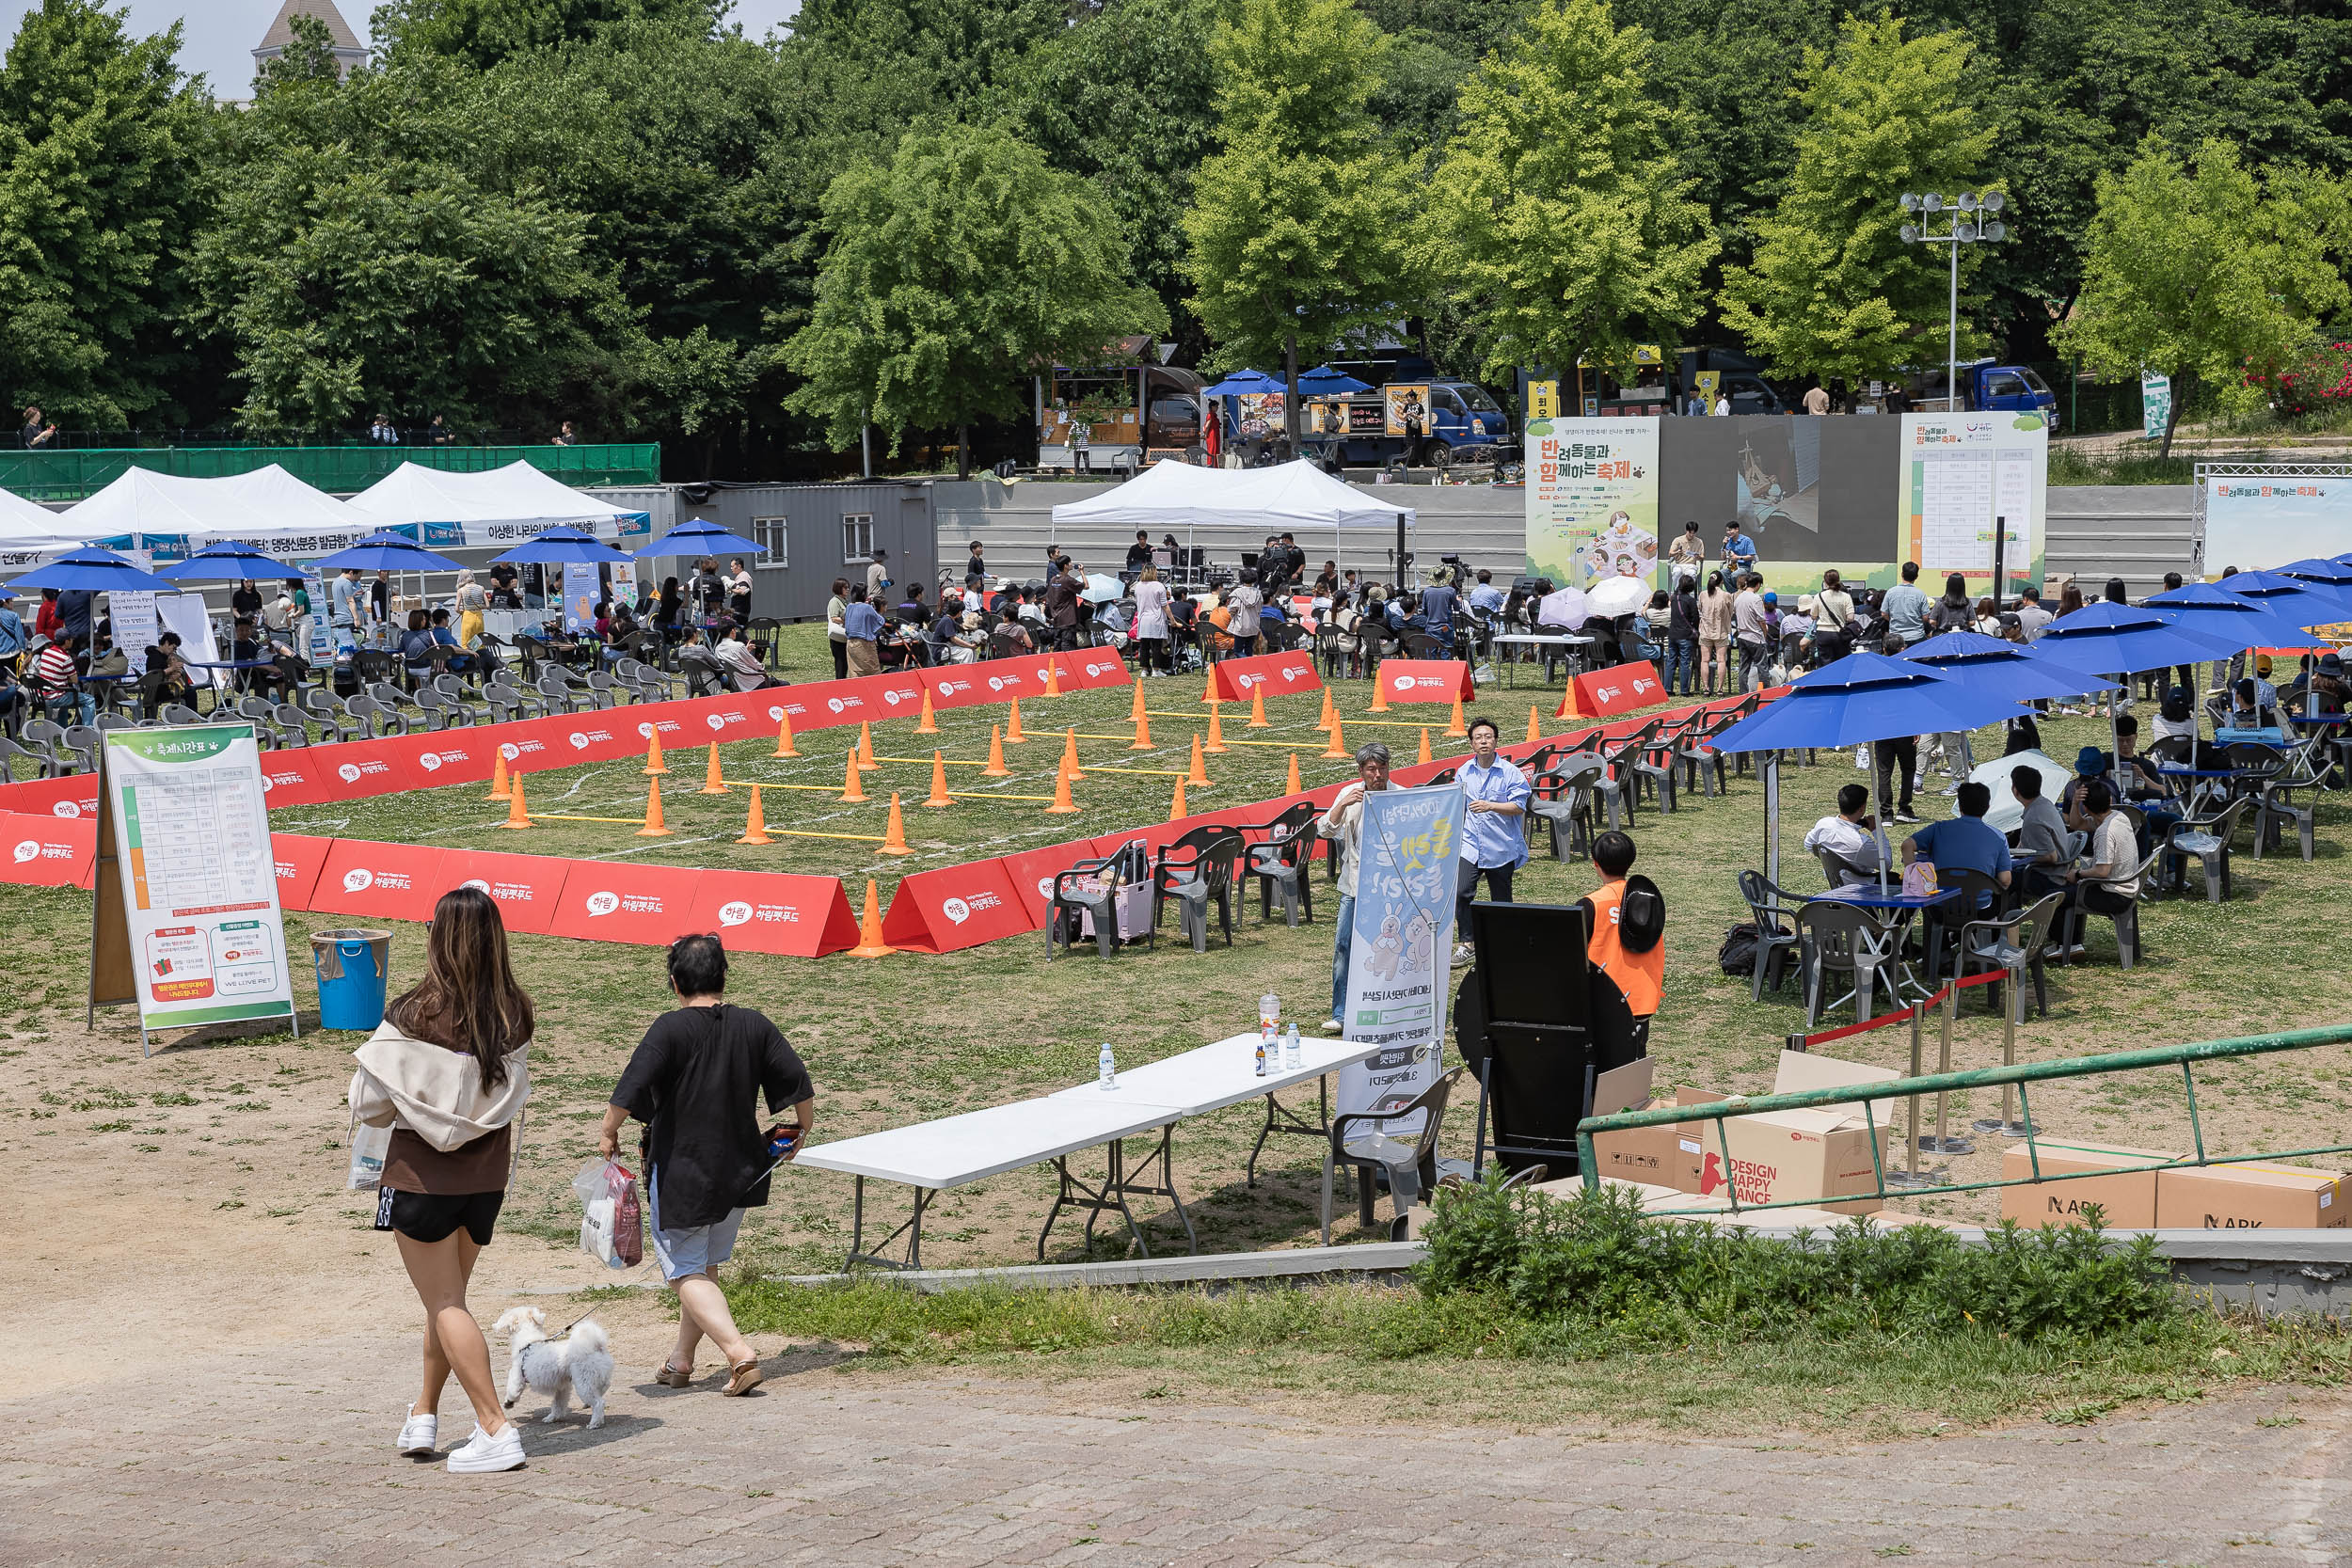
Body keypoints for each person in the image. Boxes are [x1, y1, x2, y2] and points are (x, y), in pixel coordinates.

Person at [346, 886, 534, 1474]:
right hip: (486, 1177)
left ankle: (495, 1428)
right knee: (445, 1301)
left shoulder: (411, 1012)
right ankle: (423, 1413)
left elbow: (370, 1102)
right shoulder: (515, 1010)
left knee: (446, 1302)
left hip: (421, 1178)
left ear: (438, 937)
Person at [598, 934, 813, 1399]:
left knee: (684, 1272)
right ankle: (681, 1361)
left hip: (683, 1173)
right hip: (740, 1170)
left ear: (675, 982)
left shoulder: (669, 1030)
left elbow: (630, 1086)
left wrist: (608, 1131)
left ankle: (740, 1354)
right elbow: (797, 1081)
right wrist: (800, 1129)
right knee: (703, 1266)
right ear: (724, 976)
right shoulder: (754, 1025)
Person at [1315, 742, 1391, 1032]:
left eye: (1382, 767)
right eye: (1372, 769)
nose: (1378, 774)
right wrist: (1343, 805)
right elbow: (1324, 830)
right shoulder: (1349, 795)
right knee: (1344, 948)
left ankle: (1385, 1008)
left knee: (1387, 952)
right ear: (1361, 771)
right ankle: (1341, 1013)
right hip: (1354, 886)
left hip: (1389, 890)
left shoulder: (1400, 796)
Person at [1576, 831, 1663, 1051]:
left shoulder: (1590, 905)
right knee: (1632, 1069)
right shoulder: (1647, 900)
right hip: (1640, 1003)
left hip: (1603, 1003)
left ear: (1596, 864)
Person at [1452, 717, 1530, 965]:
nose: (1483, 741)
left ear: (1496, 741)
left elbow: (1519, 806)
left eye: (1488, 737)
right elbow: (1456, 805)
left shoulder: (1510, 773)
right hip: (1471, 845)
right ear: (1471, 743)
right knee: (1462, 892)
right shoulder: (1463, 772)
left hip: (1500, 846)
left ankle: (1503, 944)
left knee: (1501, 899)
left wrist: (1490, 806)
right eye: (1478, 738)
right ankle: (1467, 943)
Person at [2059, 779, 2139, 957]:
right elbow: (2076, 825)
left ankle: (2066, 945)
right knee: (2072, 890)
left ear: (2086, 809)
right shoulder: (2118, 817)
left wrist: (2078, 873)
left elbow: (2102, 871)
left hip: (2114, 895)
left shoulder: (2104, 832)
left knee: (2059, 895)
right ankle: (2073, 943)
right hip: (2127, 888)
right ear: (2110, 801)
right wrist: (2074, 803)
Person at [1804, 783, 1892, 884]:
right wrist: (1878, 832)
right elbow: (1886, 865)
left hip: (1837, 882)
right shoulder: (1861, 843)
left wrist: (1829, 858)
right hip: (1862, 887)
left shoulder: (1823, 823)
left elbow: (1809, 844)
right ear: (1862, 808)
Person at [2012, 765, 2071, 897]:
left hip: (2048, 877)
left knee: (2001, 877)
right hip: (2059, 870)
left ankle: (2004, 913)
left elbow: (2050, 857)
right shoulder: (2045, 803)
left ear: (2015, 791)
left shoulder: (2034, 819)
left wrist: (2021, 861)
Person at [1697, 570, 1734, 695]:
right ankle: (1719, 689)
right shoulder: (1726, 595)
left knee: (1704, 660)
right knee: (1721, 660)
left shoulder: (1703, 594)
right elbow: (1731, 611)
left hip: (1705, 631)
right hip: (1721, 631)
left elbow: (1700, 609)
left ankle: (1706, 688)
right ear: (1722, 581)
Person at [1731, 572, 1768, 692]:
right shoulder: (1756, 598)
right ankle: (1766, 692)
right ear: (1757, 584)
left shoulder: (1738, 597)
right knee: (1762, 667)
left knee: (1744, 667)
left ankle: (1743, 693)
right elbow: (1761, 620)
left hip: (1742, 636)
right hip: (1756, 637)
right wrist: (1765, 634)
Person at [1131, 564, 1170, 675]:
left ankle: (1144, 669)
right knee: (1156, 645)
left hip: (1143, 618)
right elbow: (1164, 605)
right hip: (1156, 618)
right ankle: (1156, 670)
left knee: (1144, 645)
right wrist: (1172, 619)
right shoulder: (1159, 586)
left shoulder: (1138, 586)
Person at [714, 620, 772, 691]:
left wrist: (745, 651)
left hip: (736, 683)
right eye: (735, 630)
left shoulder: (718, 649)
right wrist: (763, 668)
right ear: (732, 631)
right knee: (784, 684)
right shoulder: (738, 646)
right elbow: (754, 664)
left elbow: (733, 660)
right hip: (754, 683)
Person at [1666, 573, 1700, 695]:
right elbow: (1695, 618)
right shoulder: (1690, 600)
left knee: (1671, 661)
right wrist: (1695, 630)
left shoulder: (1674, 598)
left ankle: (1668, 688)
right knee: (1685, 662)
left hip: (1673, 634)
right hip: (1685, 635)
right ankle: (1684, 690)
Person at [1883, 561, 1930, 646]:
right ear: (1916, 577)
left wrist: (1894, 620)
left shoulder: (1891, 592)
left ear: (1902, 574)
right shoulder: (1920, 593)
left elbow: (1884, 613)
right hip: (1917, 637)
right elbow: (1926, 617)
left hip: (1896, 637)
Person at [1813, 568, 1855, 663]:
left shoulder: (1818, 596)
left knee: (1825, 664)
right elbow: (1850, 618)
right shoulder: (1846, 596)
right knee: (1841, 664)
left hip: (1823, 634)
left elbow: (1813, 616)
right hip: (1840, 634)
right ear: (1838, 581)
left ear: (1825, 582)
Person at [843, 583, 884, 677]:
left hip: (850, 644)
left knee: (855, 672)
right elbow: (880, 621)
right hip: (864, 644)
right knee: (872, 672)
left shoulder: (849, 606)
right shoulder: (867, 607)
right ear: (863, 594)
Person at [1043, 564, 1084, 652]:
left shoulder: (1053, 580)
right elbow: (1085, 586)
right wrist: (1081, 572)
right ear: (1065, 565)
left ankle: (1058, 664)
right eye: (1070, 563)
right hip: (1068, 619)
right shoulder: (1068, 580)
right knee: (1068, 645)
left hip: (1057, 618)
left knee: (1058, 644)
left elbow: (1049, 599)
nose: (1072, 564)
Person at [1223, 569, 1263, 659]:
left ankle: (1245, 662)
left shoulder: (1237, 593)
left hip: (1240, 625)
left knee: (1238, 650)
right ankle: (1248, 667)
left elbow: (1232, 609)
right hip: (1253, 625)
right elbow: (1260, 609)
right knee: (1249, 649)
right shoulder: (1258, 593)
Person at [824, 577, 850, 680]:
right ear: (839, 588)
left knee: (845, 664)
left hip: (844, 636)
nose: (848, 590)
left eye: (848, 587)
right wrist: (847, 621)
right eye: (845, 588)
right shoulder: (834, 601)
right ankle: (839, 684)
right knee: (840, 664)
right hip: (837, 638)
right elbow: (834, 618)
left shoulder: (844, 601)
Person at [725, 558, 753, 624]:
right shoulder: (740, 576)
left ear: (739, 566)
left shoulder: (744, 576)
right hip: (739, 610)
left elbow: (742, 591)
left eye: (732, 566)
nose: (731, 568)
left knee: (737, 630)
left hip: (740, 611)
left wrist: (730, 589)